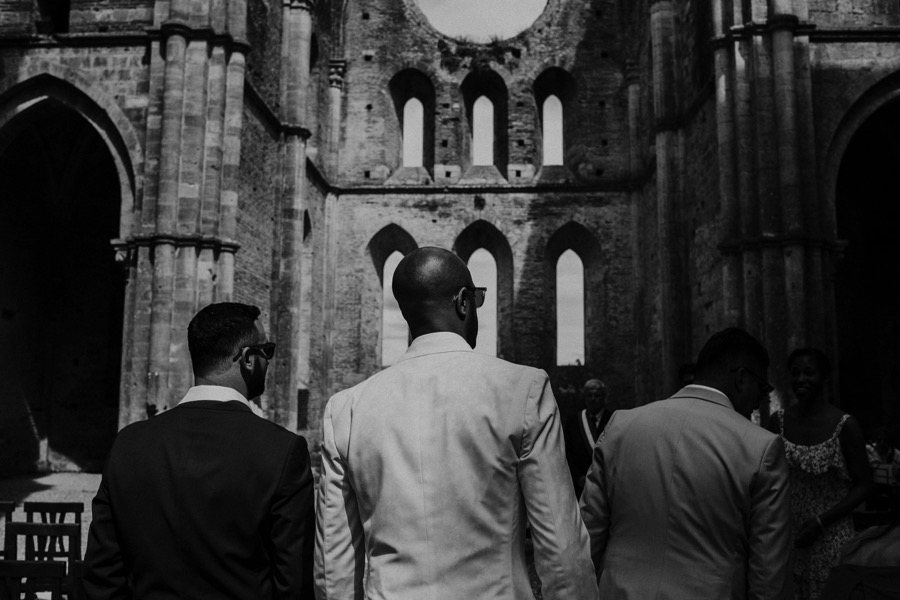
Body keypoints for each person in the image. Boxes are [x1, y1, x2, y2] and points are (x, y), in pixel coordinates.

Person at [314, 247, 597, 600]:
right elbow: (562, 550)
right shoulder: (523, 390)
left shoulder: (346, 409)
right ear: (464, 302)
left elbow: (334, 566)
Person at [83, 302, 315, 599]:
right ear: (247, 359)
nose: (269, 361)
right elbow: (293, 585)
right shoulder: (281, 451)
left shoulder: (129, 444)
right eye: (266, 351)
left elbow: (101, 577)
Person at [580, 327, 792, 599]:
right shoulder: (761, 448)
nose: (758, 401)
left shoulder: (621, 426)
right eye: (762, 389)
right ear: (741, 378)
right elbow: (769, 574)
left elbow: (588, 536)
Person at [767, 348, 875, 600]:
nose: (800, 379)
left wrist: (821, 521)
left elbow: (864, 485)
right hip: (791, 537)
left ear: (825, 377)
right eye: (795, 373)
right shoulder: (777, 422)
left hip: (832, 536)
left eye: (809, 372)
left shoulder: (845, 426)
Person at [563, 378, 611, 497]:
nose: (593, 399)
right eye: (589, 395)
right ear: (584, 397)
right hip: (580, 485)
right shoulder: (573, 422)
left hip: (606, 483)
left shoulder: (612, 419)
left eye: (597, 395)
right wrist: (578, 477)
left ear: (603, 397)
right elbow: (567, 452)